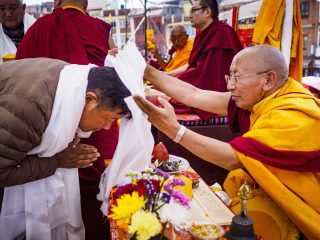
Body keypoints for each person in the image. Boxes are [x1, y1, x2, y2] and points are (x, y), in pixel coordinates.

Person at [133, 45, 320, 239]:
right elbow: (194, 94)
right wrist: (145, 70)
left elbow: (233, 158)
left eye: (237, 77)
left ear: (268, 80)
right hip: (266, 192)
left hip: (304, 210)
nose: (230, 85)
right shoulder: (261, 99)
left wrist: (174, 130)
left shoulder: (292, 115)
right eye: (230, 77)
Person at [15, 0, 117, 238]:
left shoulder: (39, 27)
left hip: (40, 130)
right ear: (87, 4)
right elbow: (111, 75)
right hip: (93, 126)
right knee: (91, 187)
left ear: (56, 2)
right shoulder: (100, 28)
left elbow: (23, 70)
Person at [0, 57, 131, 239]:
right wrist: (57, 161)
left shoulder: (73, 82)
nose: (107, 127)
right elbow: (2, 171)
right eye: (109, 118)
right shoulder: (30, 108)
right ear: (89, 99)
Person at [170, 0, 242, 121]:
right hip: (201, 83)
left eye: (193, 10)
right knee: (172, 92)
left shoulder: (222, 34)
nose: (189, 15)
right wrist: (168, 76)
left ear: (207, 12)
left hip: (218, 91)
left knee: (175, 98)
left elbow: (211, 77)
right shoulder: (201, 35)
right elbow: (193, 65)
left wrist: (177, 83)